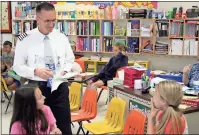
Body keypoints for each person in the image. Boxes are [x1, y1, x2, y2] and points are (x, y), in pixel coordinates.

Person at [13, 2, 74, 135]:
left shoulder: (61, 37)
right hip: (36, 90)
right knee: (38, 128)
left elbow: (70, 59)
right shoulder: (25, 39)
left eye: (54, 20)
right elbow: (17, 66)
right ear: (37, 19)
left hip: (59, 86)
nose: (51, 25)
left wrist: (65, 70)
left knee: (64, 127)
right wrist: (35, 71)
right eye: (47, 21)